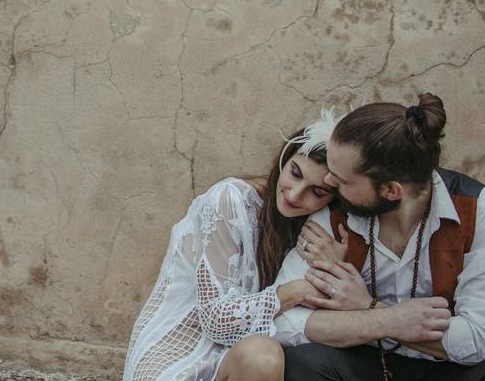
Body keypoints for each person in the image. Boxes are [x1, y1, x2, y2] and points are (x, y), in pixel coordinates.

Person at [274, 93, 485, 381]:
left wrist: (369, 307)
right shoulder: (332, 216)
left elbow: (483, 337)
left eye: (341, 180)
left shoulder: (479, 209)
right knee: (305, 363)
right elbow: (284, 322)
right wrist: (387, 321)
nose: (328, 183)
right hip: (361, 361)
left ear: (391, 191)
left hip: (444, 368)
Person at [122, 110, 345, 381]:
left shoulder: (316, 225)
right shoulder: (229, 200)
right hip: (177, 354)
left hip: (239, 356)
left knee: (265, 357)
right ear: (284, 161)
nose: (295, 194)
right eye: (295, 173)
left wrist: (335, 263)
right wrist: (296, 291)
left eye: (317, 192)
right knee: (263, 356)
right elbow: (215, 321)